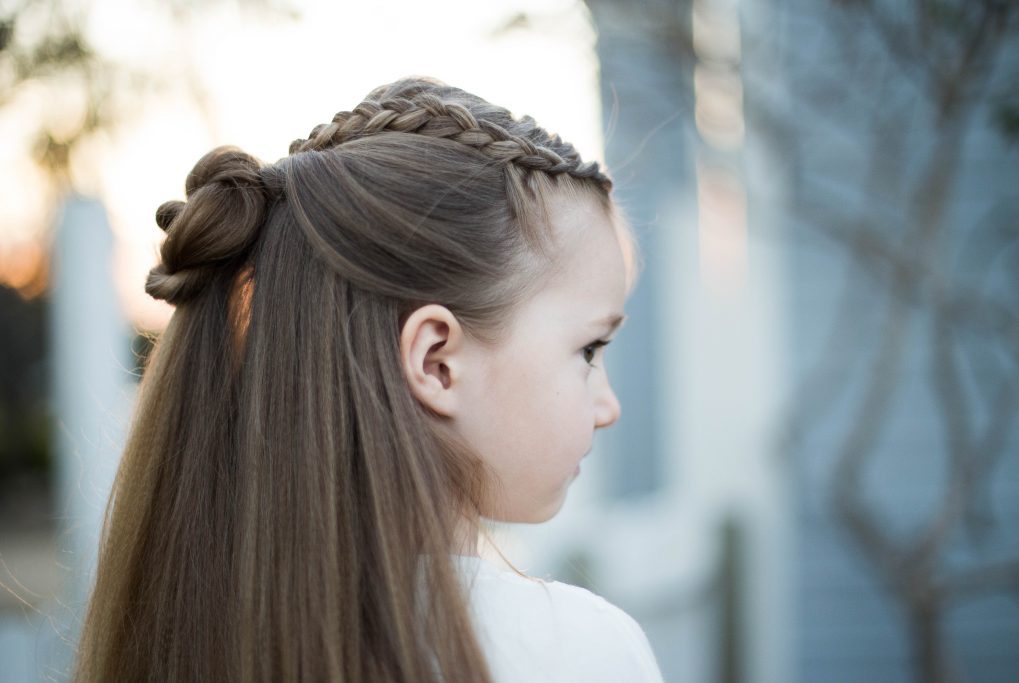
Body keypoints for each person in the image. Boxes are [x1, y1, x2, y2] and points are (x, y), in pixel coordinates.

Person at [73, 76, 664, 683]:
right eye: (589, 348)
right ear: (436, 361)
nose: (607, 406)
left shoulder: (183, 632)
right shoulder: (576, 650)